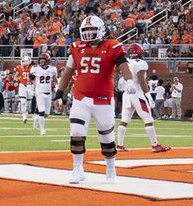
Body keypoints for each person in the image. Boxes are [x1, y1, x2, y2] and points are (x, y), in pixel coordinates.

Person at [53, 15, 137, 184]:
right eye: (86, 30)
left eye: (92, 30)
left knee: (106, 137)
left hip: (103, 99)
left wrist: (129, 80)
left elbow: (123, 64)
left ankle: (111, 168)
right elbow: (68, 72)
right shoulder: (76, 47)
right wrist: (59, 93)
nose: (89, 34)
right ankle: (77, 169)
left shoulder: (112, 46)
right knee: (76, 132)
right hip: (81, 98)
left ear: (101, 30)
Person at [115, 44, 170, 153]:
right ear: (139, 52)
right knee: (148, 119)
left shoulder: (126, 62)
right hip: (137, 93)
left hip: (127, 93)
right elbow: (141, 80)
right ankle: (155, 145)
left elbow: (117, 70)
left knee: (124, 121)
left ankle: (119, 145)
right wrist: (149, 96)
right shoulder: (141, 63)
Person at [29, 51, 57, 136]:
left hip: (49, 93)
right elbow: (30, 79)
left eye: (43, 60)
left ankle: (36, 118)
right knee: (42, 111)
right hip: (39, 92)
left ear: (47, 61)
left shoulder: (52, 69)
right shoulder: (35, 69)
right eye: (40, 59)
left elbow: (55, 80)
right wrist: (30, 89)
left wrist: (56, 84)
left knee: (46, 113)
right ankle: (42, 130)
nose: (41, 61)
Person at [15, 55, 34, 123]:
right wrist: (16, 81)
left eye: (25, 61)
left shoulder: (32, 68)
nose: (23, 62)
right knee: (23, 102)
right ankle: (24, 117)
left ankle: (26, 114)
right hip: (22, 85)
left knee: (28, 104)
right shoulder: (19, 67)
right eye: (23, 61)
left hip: (30, 86)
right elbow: (16, 76)